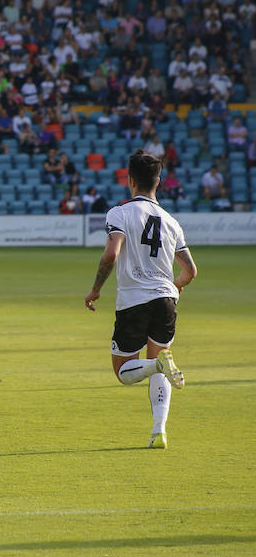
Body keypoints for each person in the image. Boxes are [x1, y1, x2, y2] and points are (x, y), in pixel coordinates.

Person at [84, 150, 197, 449]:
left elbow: (111, 253)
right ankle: (158, 431)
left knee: (124, 372)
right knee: (160, 356)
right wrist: (175, 287)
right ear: (157, 182)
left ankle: (158, 366)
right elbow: (190, 270)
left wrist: (96, 289)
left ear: (130, 181)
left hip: (134, 301)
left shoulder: (119, 213)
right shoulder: (172, 222)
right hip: (165, 301)